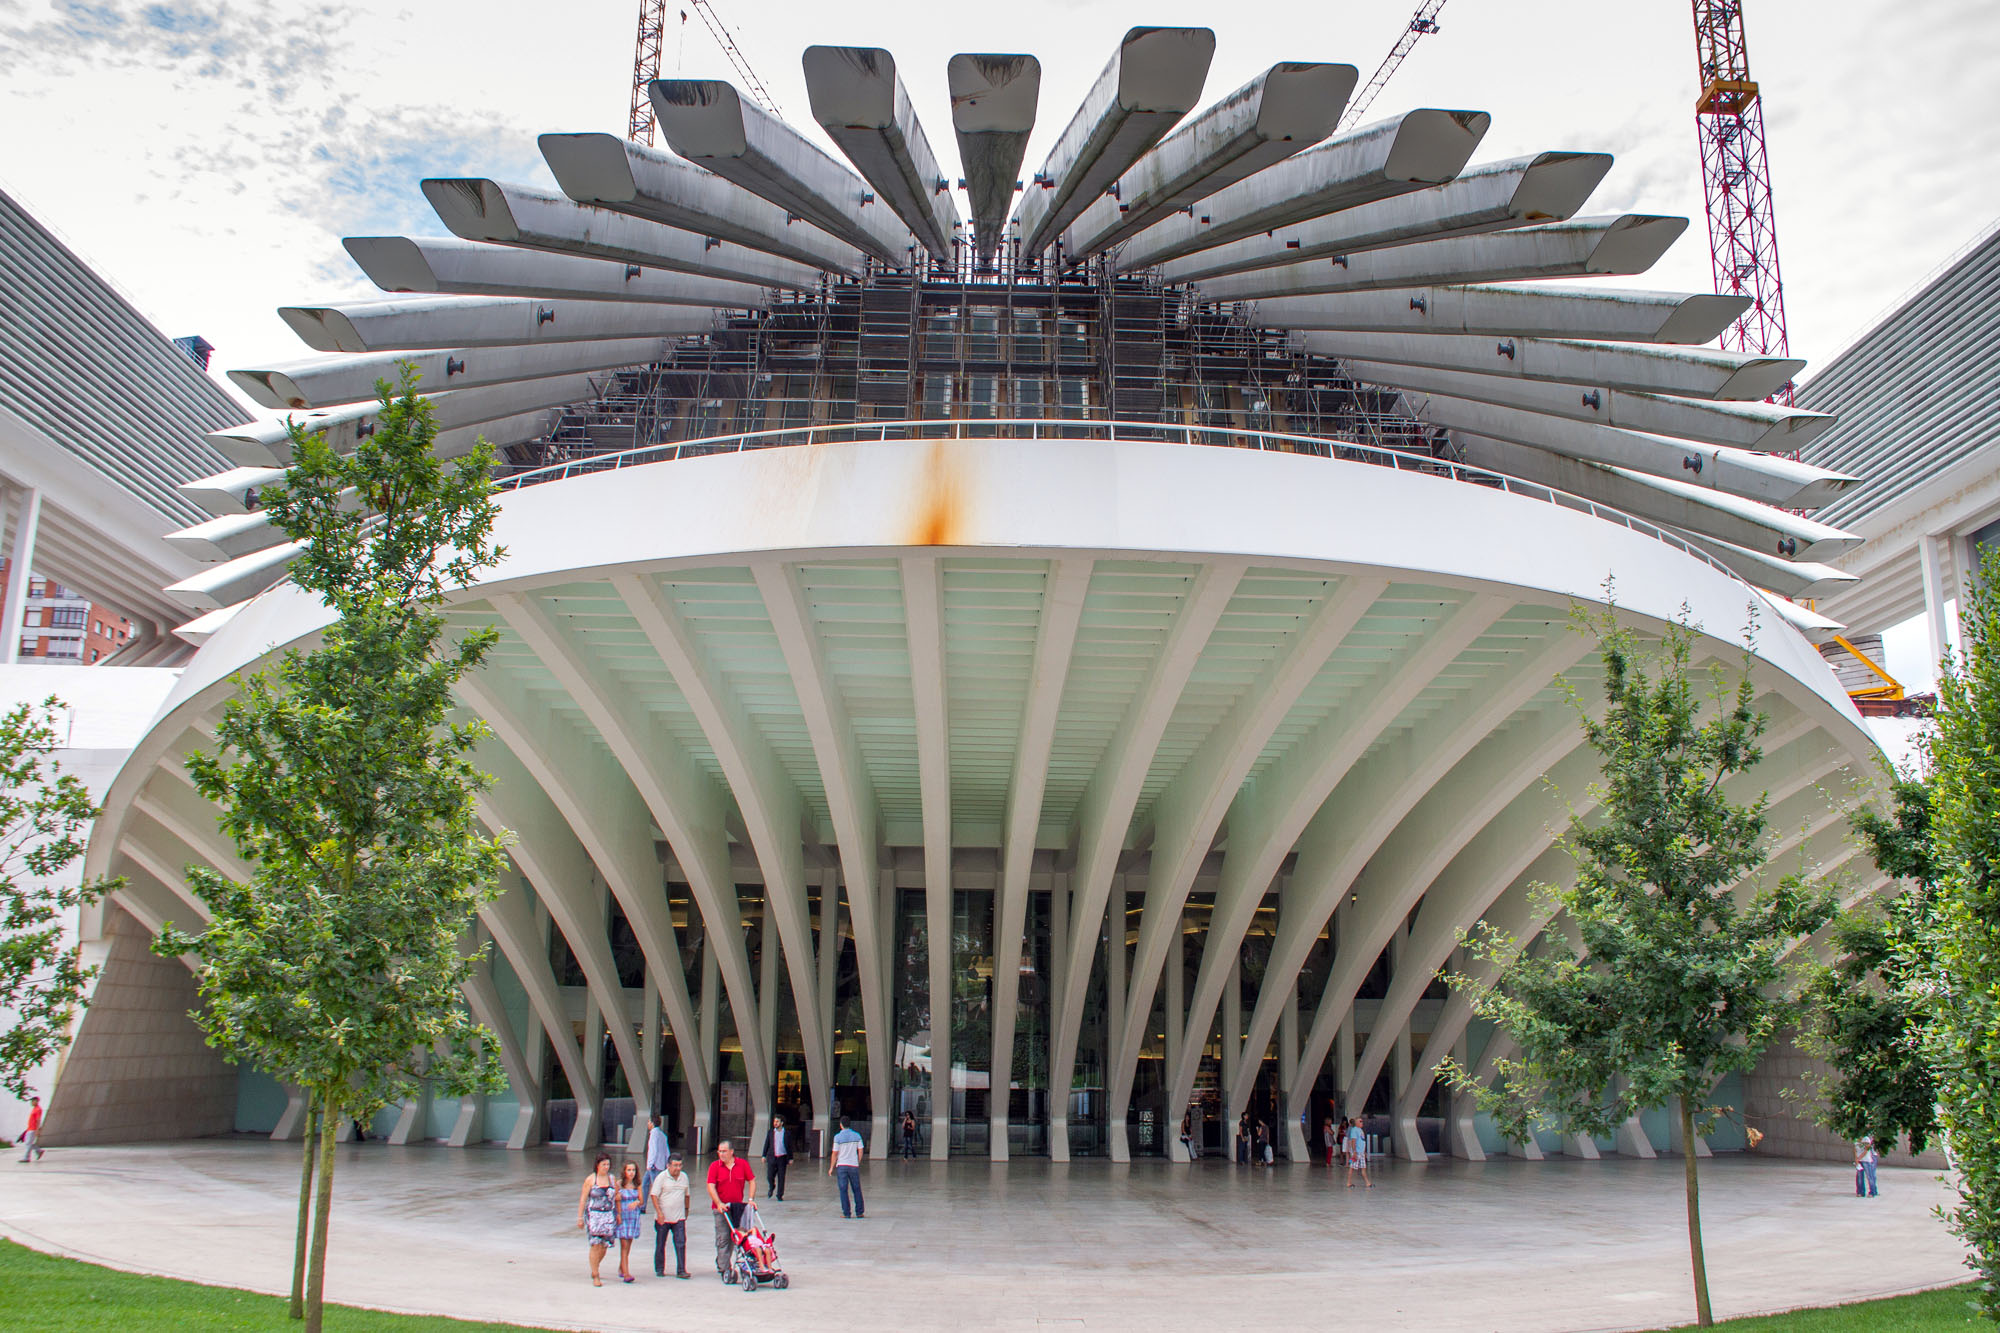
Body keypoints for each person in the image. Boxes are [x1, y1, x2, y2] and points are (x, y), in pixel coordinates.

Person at [705, 1139, 757, 1280]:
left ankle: (737, 1264)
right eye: (719, 1151)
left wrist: (751, 1199)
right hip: (721, 1209)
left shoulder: (742, 1164)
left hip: (737, 1208)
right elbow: (711, 1186)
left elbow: (751, 1180)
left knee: (738, 1238)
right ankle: (724, 1268)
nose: (721, 1154)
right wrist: (719, 1203)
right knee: (723, 1238)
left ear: (732, 1152)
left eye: (724, 1151)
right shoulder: (715, 1166)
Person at [574, 1152, 618, 1286]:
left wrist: (619, 1214)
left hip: (608, 1216)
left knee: (604, 1246)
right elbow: (583, 1199)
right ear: (597, 1165)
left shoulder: (612, 1179)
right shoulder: (590, 1180)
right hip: (594, 1216)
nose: (606, 1167)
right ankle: (595, 1274)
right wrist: (580, 1217)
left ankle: (595, 1265)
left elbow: (617, 1197)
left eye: (608, 1164)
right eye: (603, 1164)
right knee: (595, 1244)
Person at [650, 1152, 692, 1278]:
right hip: (663, 1217)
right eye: (675, 1165)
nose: (677, 1168)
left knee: (680, 1243)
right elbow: (654, 1195)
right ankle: (659, 1268)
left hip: (679, 1217)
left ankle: (681, 1270)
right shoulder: (661, 1177)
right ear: (668, 1165)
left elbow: (687, 1195)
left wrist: (686, 1209)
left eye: (680, 1165)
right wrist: (659, 1213)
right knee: (661, 1243)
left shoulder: (684, 1177)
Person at [612, 1160, 644, 1283]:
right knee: (624, 1245)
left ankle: (621, 1267)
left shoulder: (638, 1184)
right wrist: (618, 1214)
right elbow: (616, 1199)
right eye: (629, 1170)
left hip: (633, 1216)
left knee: (629, 1244)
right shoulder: (619, 1184)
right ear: (624, 1171)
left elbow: (641, 1200)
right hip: (623, 1216)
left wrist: (636, 1202)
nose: (631, 1173)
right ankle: (626, 1273)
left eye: (633, 1170)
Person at [830, 1115, 866, 1219]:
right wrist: (857, 1161)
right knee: (857, 1188)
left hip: (842, 1166)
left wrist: (832, 1167)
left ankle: (846, 1212)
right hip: (853, 1165)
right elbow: (860, 1150)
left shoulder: (837, 1137)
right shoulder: (857, 1135)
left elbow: (835, 1153)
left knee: (843, 1189)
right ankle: (859, 1212)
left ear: (841, 1125)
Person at [764, 1115, 792, 1201]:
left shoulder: (786, 1133)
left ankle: (779, 1195)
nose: (775, 1123)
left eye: (777, 1122)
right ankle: (772, 1186)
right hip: (772, 1157)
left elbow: (790, 1146)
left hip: (782, 1158)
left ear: (782, 1123)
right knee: (769, 1175)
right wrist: (764, 1155)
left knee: (781, 1177)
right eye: (774, 1122)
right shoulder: (770, 1132)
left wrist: (790, 1158)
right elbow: (767, 1144)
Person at [642, 1113, 671, 1195]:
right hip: (661, 1165)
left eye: (648, 1122)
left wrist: (650, 1164)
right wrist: (667, 1163)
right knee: (645, 1184)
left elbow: (653, 1150)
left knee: (655, 1187)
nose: (647, 1124)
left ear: (652, 1123)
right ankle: (643, 1205)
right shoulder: (662, 1135)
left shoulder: (654, 1134)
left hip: (654, 1166)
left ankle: (659, 1204)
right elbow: (666, 1151)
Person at [1344, 1117, 1371, 1189]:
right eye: (1360, 1121)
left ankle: (1367, 1183)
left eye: (1362, 1121)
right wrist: (1354, 1152)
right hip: (1357, 1152)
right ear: (1356, 1123)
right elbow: (1353, 1141)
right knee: (1352, 1167)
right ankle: (1348, 1182)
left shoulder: (1361, 1130)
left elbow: (1362, 1141)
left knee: (1363, 1167)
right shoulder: (1354, 1130)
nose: (1362, 1122)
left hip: (1361, 1152)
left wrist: (1364, 1152)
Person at [17, 1096, 43, 1163]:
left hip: (33, 1129)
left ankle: (26, 1157)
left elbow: (38, 1120)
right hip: (30, 1128)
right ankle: (39, 1151)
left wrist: (37, 1130)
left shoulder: (38, 1109)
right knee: (28, 1142)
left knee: (28, 1143)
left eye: (32, 1101)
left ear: (36, 1101)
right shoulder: (34, 1109)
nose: (31, 1103)